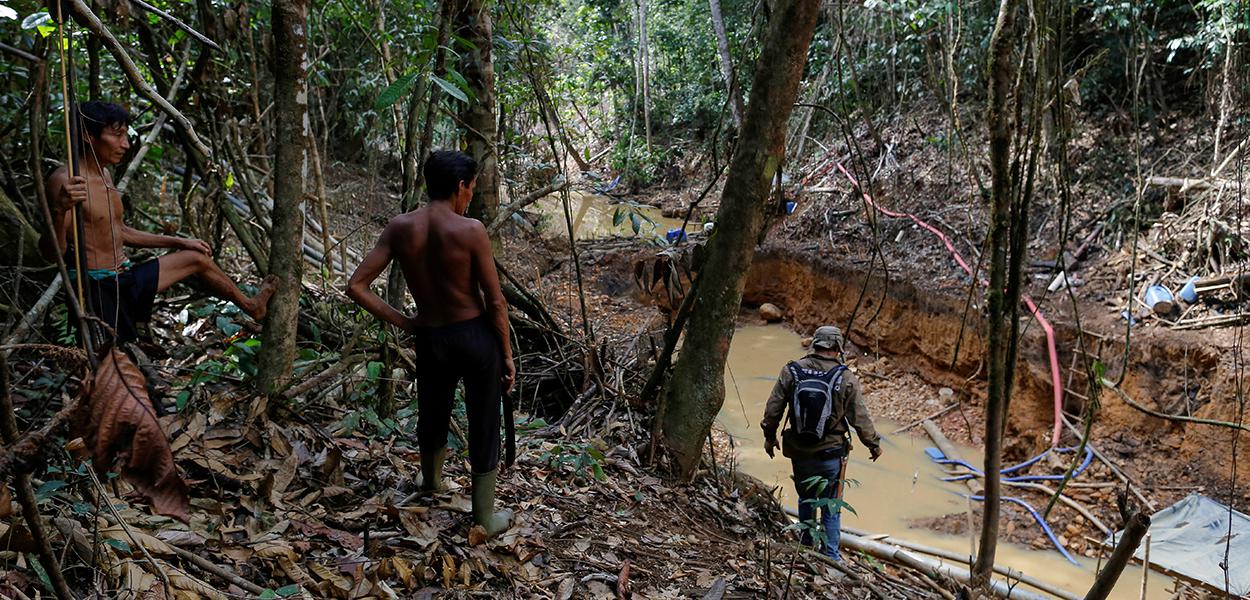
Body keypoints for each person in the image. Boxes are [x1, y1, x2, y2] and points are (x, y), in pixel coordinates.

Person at [346, 149, 515, 537]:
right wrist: (506, 354)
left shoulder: (400, 227)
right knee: (483, 420)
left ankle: (432, 482)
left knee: (433, 411)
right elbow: (495, 301)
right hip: (474, 336)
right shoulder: (470, 230)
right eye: (471, 188)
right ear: (460, 186)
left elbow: (357, 285)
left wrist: (406, 322)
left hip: (431, 337)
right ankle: (484, 518)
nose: (471, 196)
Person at [40, 101, 276, 344]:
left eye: (126, 135)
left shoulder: (105, 174)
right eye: (117, 135)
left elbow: (118, 230)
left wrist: (180, 242)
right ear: (89, 137)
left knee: (196, 258)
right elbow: (52, 254)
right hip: (99, 290)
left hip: (127, 277)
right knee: (112, 364)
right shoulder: (65, 181)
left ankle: (252, 305)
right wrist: (59, 211)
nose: (126, 144)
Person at [761, 325, 882, 560]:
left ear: (814, 344)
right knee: (831, 507)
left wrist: (769, 437)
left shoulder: (792, 371)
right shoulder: (844, 377)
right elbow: (860, 417)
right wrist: (873, 444)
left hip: (800, 451)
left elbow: (773, 408)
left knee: (806, 499)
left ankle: (806, 549)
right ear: (837, 348)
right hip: (831, 454)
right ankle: (831, 559)